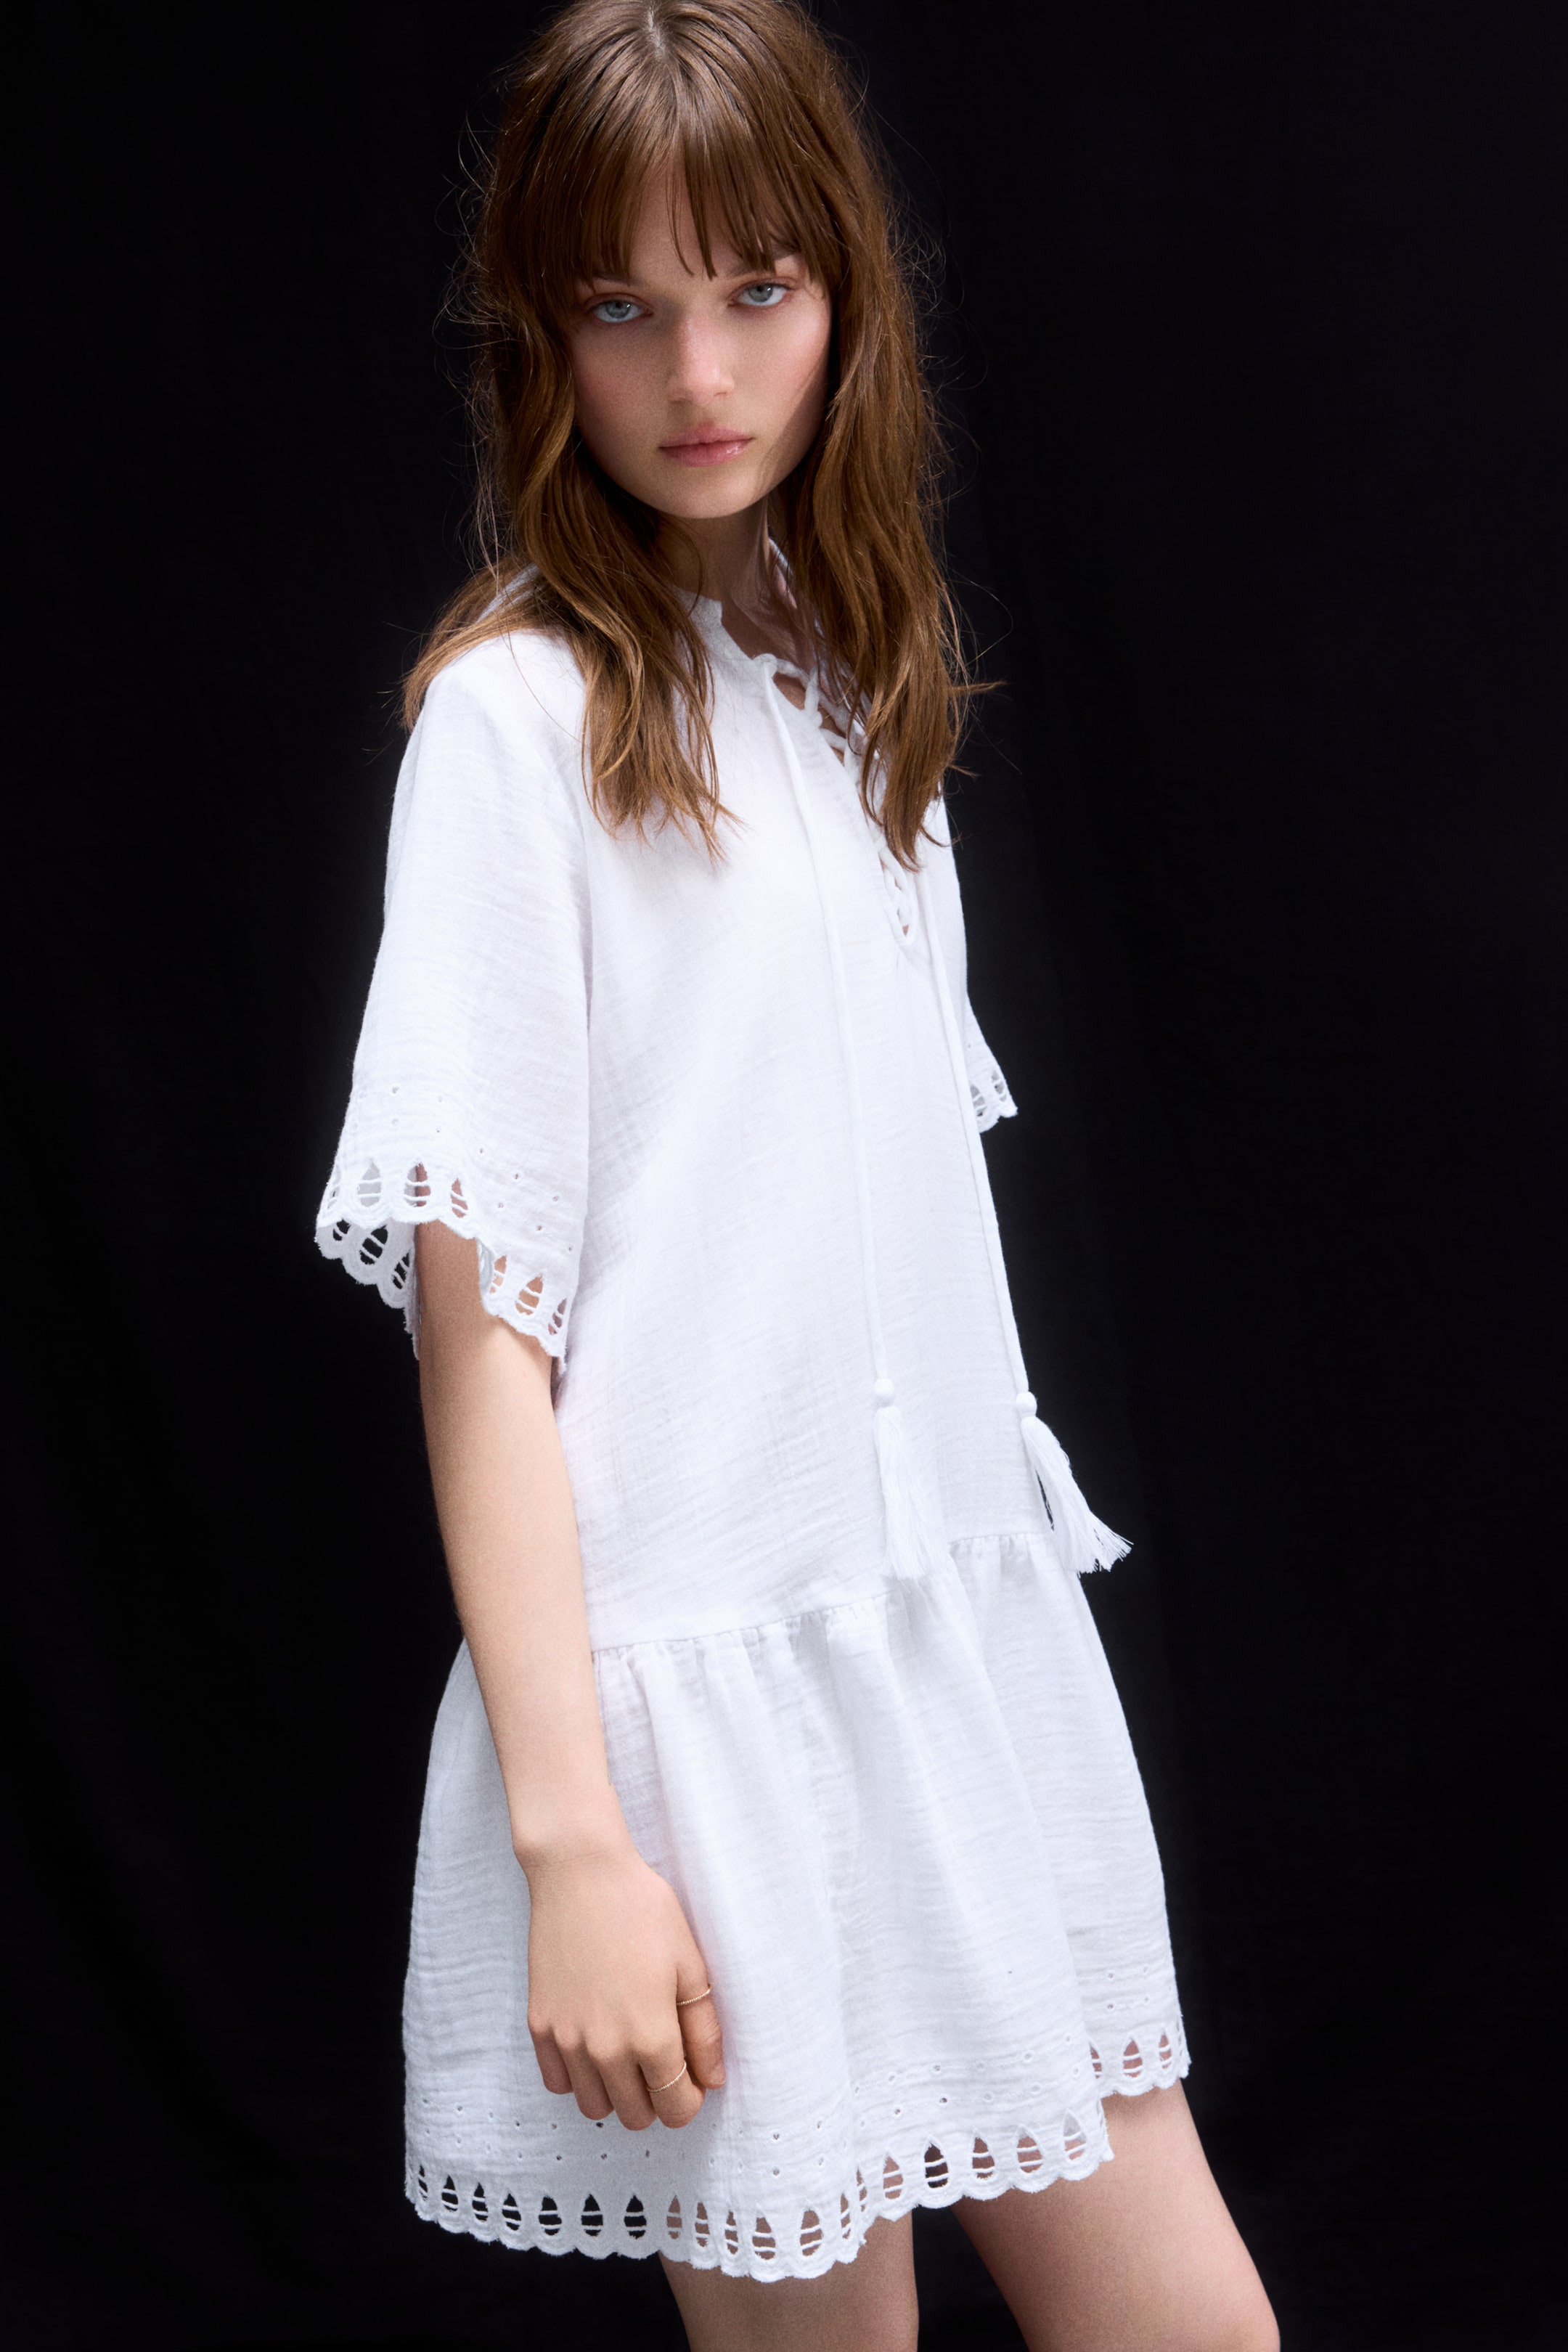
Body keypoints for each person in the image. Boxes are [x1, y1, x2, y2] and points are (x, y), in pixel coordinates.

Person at [317, 4, 1278, 2345]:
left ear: (845, 287)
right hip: (701, 1732)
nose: (698, 372)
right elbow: (485, 1334)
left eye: (756, 288)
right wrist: (577, 1840)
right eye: (621, 304)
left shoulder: (854, 681)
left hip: (949, 1671)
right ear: (540, 333)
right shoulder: (516, 727)